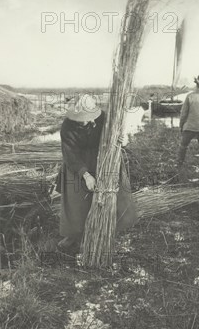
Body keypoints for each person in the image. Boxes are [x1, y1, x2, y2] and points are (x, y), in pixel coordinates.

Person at [56, 94, 138, 255]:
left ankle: (111, 229)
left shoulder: (105, 118)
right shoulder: (67, 126)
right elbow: (70, 154)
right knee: (76, 197)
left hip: (104, 158)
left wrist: (122, 139)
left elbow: (119, 137)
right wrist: (85, 175)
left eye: (87, 118)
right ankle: (74, 235)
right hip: (78, 162)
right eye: (81, 118)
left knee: (114, 193)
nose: (84, 121)